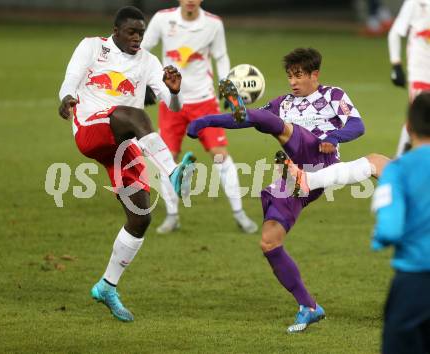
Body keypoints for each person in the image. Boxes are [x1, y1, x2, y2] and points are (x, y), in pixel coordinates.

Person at [188, 47, 390, 332]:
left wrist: (333, 136)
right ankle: (308, 306)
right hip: (294, 176)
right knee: (269, 241)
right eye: (289, 76)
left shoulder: (333, 96)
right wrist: (207, 122)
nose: (293, 82)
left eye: (298, 76)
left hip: (322, 161)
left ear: (314, 75)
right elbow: (249, 119)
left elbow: (357, 126)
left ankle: (240, 106)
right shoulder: (283, 102)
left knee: (276, 124)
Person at [58, 6, 196, 322]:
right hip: (91, 128)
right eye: (132, 32)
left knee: (140, 217)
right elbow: (70, 79)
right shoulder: (92, 46)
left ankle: (107, 286)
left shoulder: (148, 61)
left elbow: (172, 104)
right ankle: (173, 172)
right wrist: (66, 98)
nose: (137, 38)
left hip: (123, 144)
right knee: (135, 115)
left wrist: (175, 93)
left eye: (141, 33)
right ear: (116, 30)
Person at [140, 0, 257, 234]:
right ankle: (172, 217)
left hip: (204, 101)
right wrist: (145, 82)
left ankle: (239, 214)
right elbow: (142, 49)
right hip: (171, 101)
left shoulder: (213, 24)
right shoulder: (163, 19)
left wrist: (227, 86)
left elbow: (221, 57)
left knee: (220, 156)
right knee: (167, 158)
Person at [372, 92, 430, 354]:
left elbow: (389, 230)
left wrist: (378, 239)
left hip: (416, 283)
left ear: (409, 126)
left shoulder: (397, 170)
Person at [388, 0, 430, 157]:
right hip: (421, 70)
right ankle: (399, 160)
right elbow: (395, 32)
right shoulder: (416, 3)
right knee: (416, 114)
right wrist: (396, 64)